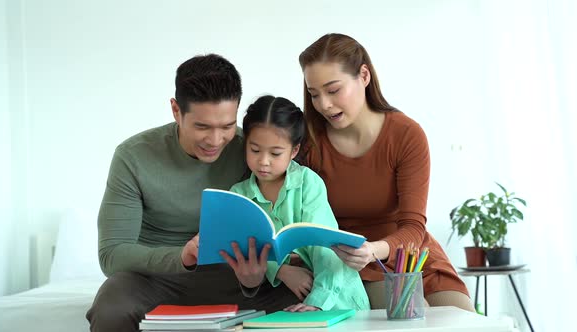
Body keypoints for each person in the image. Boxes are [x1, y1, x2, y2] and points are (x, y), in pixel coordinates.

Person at [86, 54, 299, 332]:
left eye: (226, 126)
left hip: (234, 277)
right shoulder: (133, 157)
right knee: (112, 308)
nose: (215, 140)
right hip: (156, 278)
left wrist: (258, 274)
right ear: (176, 111)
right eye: (202, 127)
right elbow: (112, 255)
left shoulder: (252, 150)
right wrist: (182, 257)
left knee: (306, 300)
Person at [296, 33, 475, 311]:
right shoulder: (308, 144)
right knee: (413, 317)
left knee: (462, 319)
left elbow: (414, 227)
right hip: (355, 263)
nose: (323, 105)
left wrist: (373, 249)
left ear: (363, 75)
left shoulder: (406, 135)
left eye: (333, 90)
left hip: (411, 254)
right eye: (314, 94)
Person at [220, 95, 370, 312]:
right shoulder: (238, 194)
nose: (263, 161)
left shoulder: (308, 183)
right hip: (287, 303)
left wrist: (317, 302)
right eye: (255, 150)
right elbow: (247, 250)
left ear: (294, 151)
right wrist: (280, 270)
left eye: (275, 153)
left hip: (336, 297)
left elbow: (326, 248)